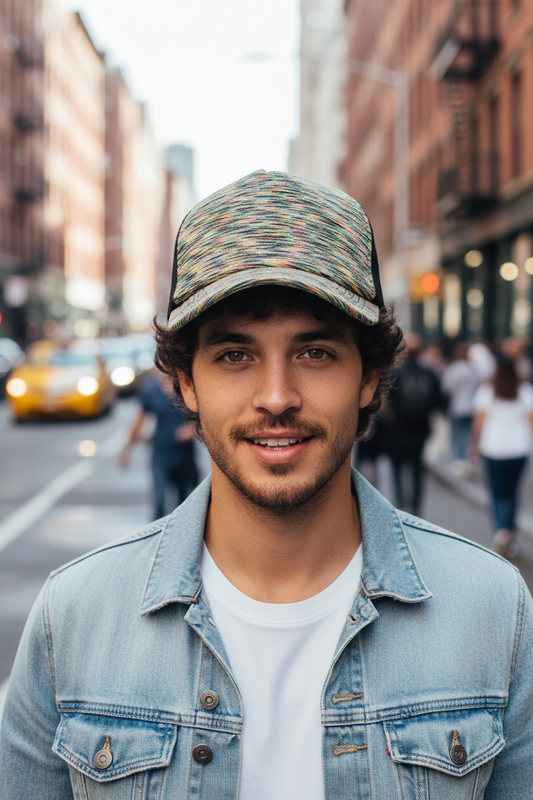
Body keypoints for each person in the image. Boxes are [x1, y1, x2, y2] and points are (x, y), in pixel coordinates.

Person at [1, 171, 532, 799]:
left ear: (368, 376)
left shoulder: (495, 611)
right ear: (187, 383)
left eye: (315, 353)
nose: (276, 398)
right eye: (234, 355)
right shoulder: (75, 618)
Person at [472, 354, 533, 559]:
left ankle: (501, 532)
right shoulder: (525, 391)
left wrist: (474, 445)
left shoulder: (487, 391)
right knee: (513, 494)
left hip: (493, 448)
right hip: (519, 449)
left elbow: (478, 422)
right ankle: (510, 533)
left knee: (497, 493)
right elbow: (531, 423)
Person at [119, 370, 198, 520]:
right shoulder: (152, 391)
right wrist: (127, 449)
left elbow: (204, 416)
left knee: (186, 501)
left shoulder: (188, 387)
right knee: (159, 499)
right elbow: (138, 421)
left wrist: (191, 430)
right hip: (161, 454)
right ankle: (158, 539)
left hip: (185, 455)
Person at [382, 333, 442, 515]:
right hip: (420, 429)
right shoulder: (428, 372)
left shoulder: (395, 373)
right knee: (417, 468)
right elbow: (437, 401)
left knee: (397, 467)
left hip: (397, 429)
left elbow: (385, 403)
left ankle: (400, 504)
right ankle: (416, 507)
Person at [441, 341, 483, 474]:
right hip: (472, 406)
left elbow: (446, 387)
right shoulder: (474, 369)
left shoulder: (455, 368)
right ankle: (468, 460)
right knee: (468, 435)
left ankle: (460, 461)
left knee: (457, 434)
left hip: (457, 406)